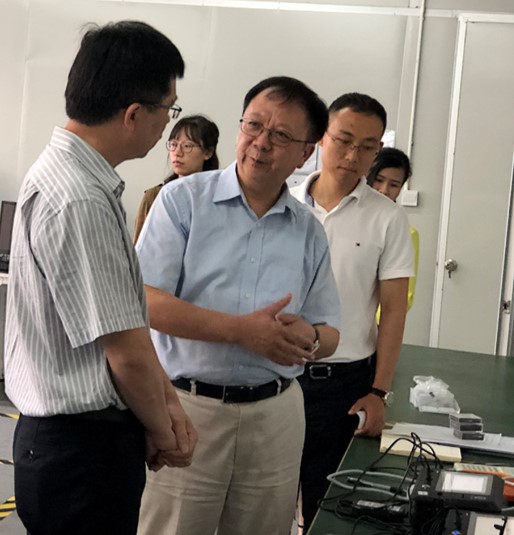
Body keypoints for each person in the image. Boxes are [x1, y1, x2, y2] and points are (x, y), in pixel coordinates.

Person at [4, 21, 197, 535]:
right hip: (80, 450)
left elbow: (128, 323)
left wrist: (166, 407)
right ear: (134, 114)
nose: (167, 128)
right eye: (168, 110)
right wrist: (163, 430)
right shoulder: (79, 197)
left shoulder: (77, 178)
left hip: (77, 444)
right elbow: (125, 351)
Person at [135, 76, 341, 535]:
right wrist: (241, 331)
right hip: (188, 407)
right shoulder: (182, 201)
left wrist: (305, 339)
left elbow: (329, 333)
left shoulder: (308, 230)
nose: (261, 143)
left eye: (281, 135)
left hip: (276, 416)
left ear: (305, 153)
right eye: (254, 126)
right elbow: (145, 301)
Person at [290, 92, 414, 532]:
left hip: (340, 385)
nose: (352, 154)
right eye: (343, 139)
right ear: (321, 137)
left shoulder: (387, 218)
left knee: (328, 508)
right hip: (267, 378)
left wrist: (379, 392)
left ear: (378, 150)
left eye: (367, 146)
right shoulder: (283, 202)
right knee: (258, 502)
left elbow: (394, 311)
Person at [133, 114, 220, 242]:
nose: (177, 152)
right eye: (173, 144)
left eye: (187, 146)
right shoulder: (153, 196)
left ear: (208, 152)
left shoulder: (220, 198)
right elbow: (137, 252)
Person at [366, 147, 419, 313]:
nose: (384, 190)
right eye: (378, 180)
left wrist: (378, 329)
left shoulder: (407, 233)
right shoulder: (344, 217)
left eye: (394, 185)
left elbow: (404, 294)